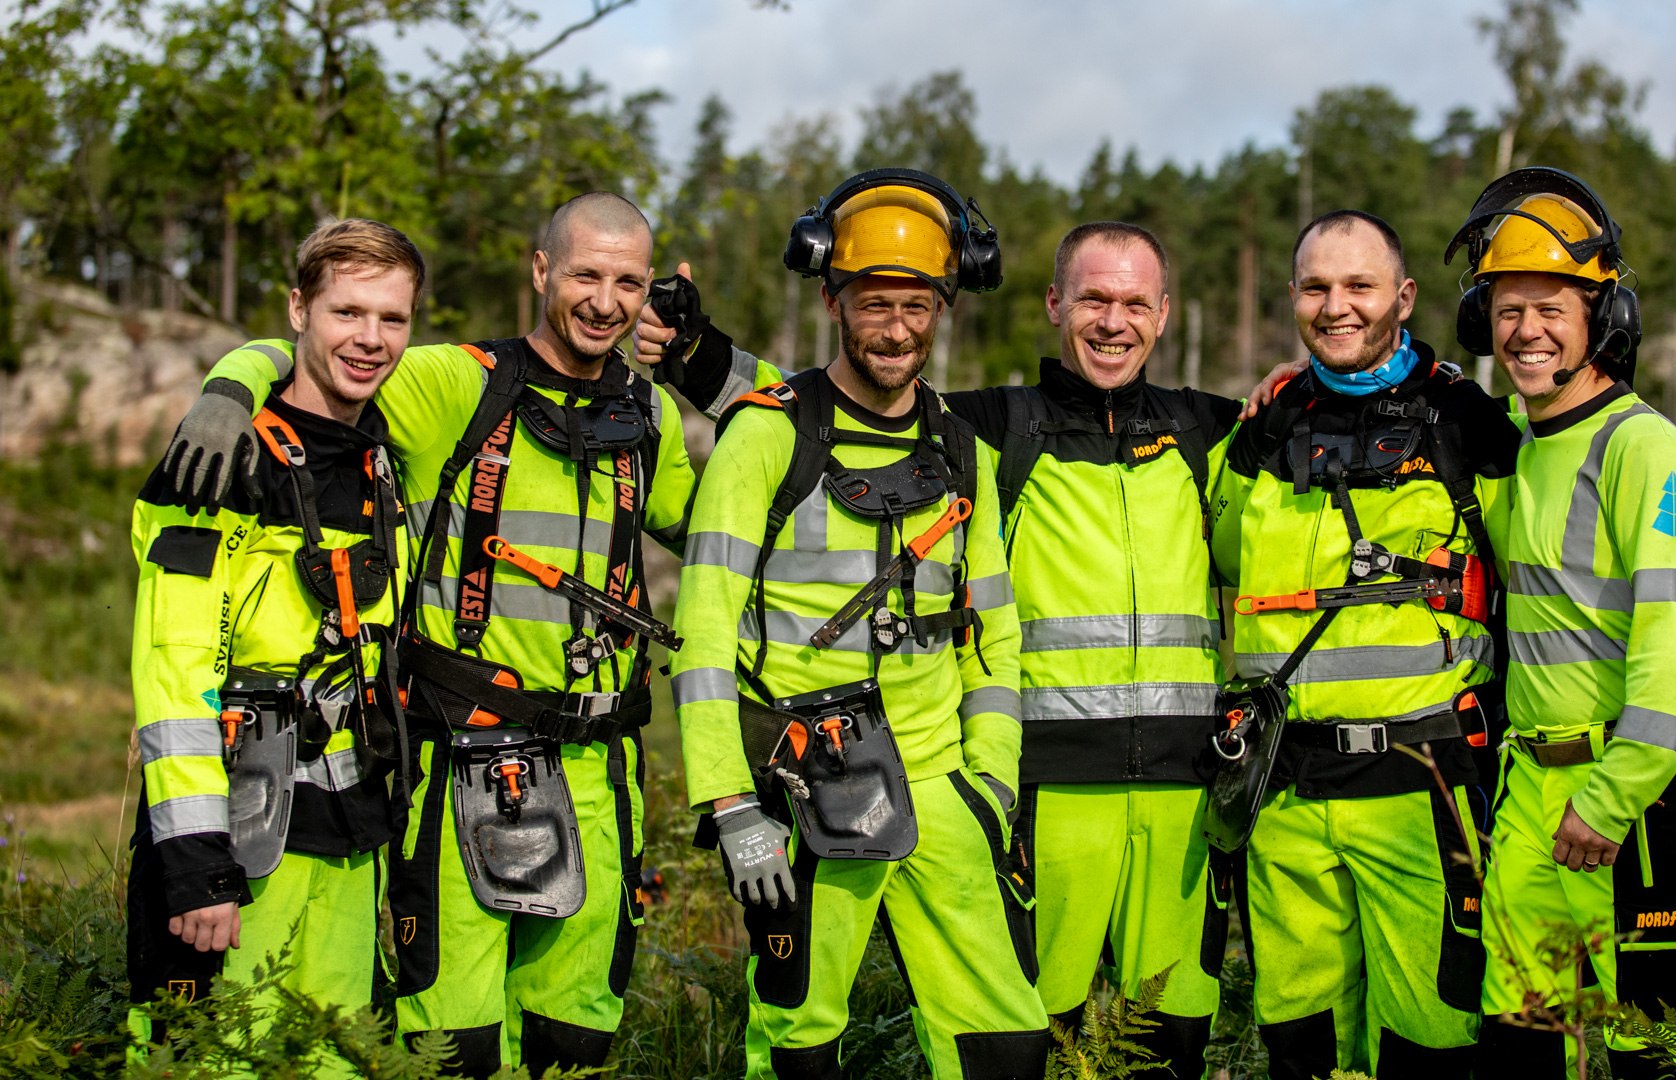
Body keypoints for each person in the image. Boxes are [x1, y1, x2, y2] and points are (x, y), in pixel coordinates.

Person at [653, 214, 1261, 1076]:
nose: (1112, 322)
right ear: (1055, 304)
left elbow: (1317, 427)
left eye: (1133, 302)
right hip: (1005, 786)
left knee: (1133, 1044)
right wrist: (694, 352)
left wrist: (1376, 385)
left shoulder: (1209, 430)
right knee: (973, 1035)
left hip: (1152, 792)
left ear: (1165, 313)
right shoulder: (999, 427)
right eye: (1092, 298)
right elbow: (839, 403)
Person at [155, 192, 697, 1076]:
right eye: (585, 275)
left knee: (576, 1038)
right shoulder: (457, 383)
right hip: (462, 764)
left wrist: (713, 366)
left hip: (605, 771)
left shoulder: (651, 417)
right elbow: (329, 356)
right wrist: (228, 387)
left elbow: (735, 517)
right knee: (453, 1045)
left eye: (628, 281)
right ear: (540, 271)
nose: (605, 300)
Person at [669, 170, 1050, 1079]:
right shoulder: (766, 436)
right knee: (800, 1044)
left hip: (943, 788)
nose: (897, 328)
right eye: (874, 303)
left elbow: (995, 639)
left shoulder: (966, 451)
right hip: (805, 793)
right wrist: (730, 806)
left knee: (1007, 1040)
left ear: (944, 307)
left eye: (917, 305)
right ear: (834, 299)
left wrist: (990, 782)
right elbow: (705, 638)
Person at [1207, 209, 1521, 1079]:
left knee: (1428, 1033)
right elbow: (1216, 555)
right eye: (1316, 287)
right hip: (1283, 798)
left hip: (1422, 791)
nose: (1335, 306)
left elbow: (1545, 575)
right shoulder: (1265, 426)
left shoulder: (1470, 427)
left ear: (1404, 296)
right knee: (1298, 1039)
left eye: (1359, 286)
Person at [1449, 169, 1676, 1080]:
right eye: (1505, 308)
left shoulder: (1646, 450)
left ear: (1602, 320)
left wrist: (1613, 798)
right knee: (1526, 1051)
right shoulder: (1521, 453)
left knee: (1665, 1057)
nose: (1524, 330)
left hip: (1636, 803)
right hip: (1533, 797)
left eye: (1551, 307)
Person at [126, 218, 420, 1073]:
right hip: (236, 845)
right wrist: (193, 863)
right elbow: (171, 666)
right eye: (347, 312)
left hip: (351, 833)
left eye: (392, 319)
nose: (369, 340)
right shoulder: (219, 460)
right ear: (299, 308)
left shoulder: (384, 459)